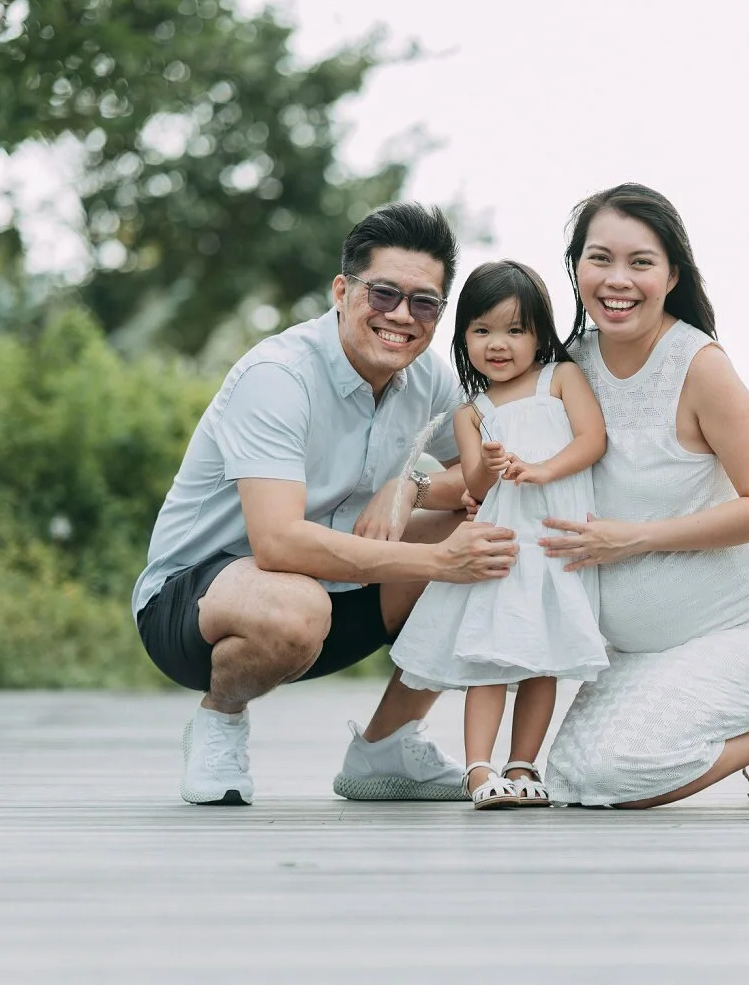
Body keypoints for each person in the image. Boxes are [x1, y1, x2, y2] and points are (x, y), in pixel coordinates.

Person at [131, 202, 518, 806]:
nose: (401, 316)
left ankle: (386, 745)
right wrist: (441, 563)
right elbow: (278, 543)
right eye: (384, 293)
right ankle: (220, 719)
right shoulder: (278, 377)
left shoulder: (430, 379)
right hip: (199, 606)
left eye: (424, 303)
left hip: (337, 598)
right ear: (342, 290)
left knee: (492, 531)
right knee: (298, 606)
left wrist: (409, 485)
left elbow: (476, 477)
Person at [538, 183, 749, 807]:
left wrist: (636, 537)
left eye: (641, 262)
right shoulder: (570, 367)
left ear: (671, 275)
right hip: (644, 648)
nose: (618, 280)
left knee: (620, 775)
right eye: (599, 258)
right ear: (576, 266)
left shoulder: (698, 366)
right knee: (573, 779)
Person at [391, 261, 609, 809]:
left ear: (540, 334)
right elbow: (474, 483)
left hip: (555, 542)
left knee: (543, 660)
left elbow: (592, 440)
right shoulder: (471, 411)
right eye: (482, 330)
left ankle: (523, 763)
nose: (498, 343)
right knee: (489, 657)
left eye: (516, 330)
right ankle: (479, 768)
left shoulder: (560, 378)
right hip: (501, 549)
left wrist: (545, 469)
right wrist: (489, 462)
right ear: (463, 335)